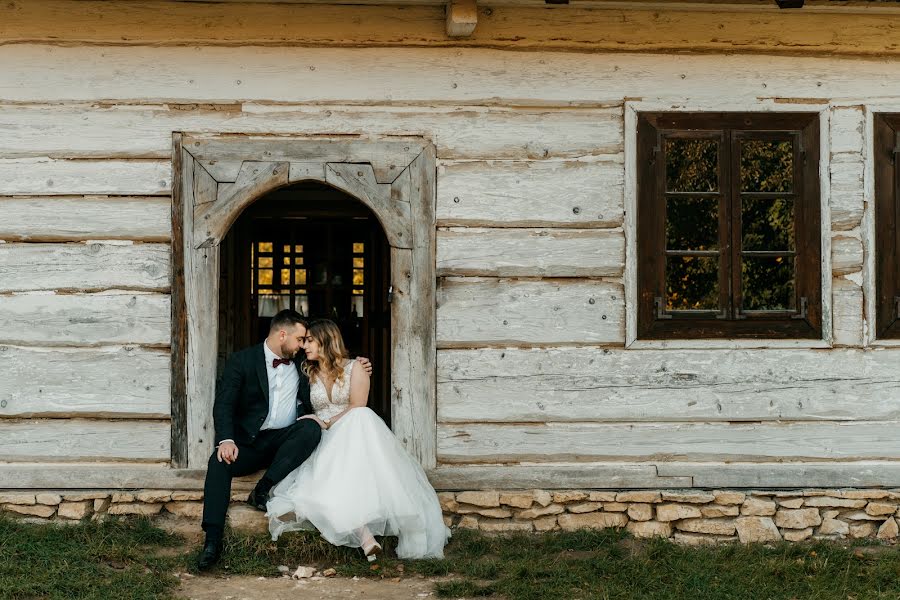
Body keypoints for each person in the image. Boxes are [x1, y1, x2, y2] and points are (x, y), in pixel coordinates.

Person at [197, 310, 371, 570]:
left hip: (286, 442)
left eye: (305, 341)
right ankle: (212, 540)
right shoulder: (242, 361)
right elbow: (224, 405)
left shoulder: (303, 363)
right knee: (218, 461)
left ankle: (262, 490)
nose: (303, 344)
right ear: (282, 335)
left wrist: (360, 364)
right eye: (300, 339)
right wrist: (226, 440)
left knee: (310, 429)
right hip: (250, 442)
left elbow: (331, 363)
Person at [266, 319, 450, 560]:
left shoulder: (356, 367)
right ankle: (365, 537)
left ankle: (369, 535)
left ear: (327, 341)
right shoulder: (306, 370)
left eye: (310, 340)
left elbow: (357, 405)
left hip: (352, 434)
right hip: (320, 437)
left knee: (360, 417)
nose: (304, 346)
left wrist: (329, 422)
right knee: (329, 476)